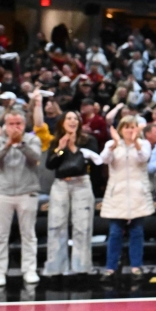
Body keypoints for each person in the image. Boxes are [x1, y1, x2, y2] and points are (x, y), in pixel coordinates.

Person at [0, 110, 41, 287]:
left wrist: (21, 144)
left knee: (28, 235)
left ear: (24, 125)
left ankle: (30, 270)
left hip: (27, 193)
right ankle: (0, 272)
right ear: (5, 125)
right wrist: (8, 144)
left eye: (18, 123)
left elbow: (36, 158)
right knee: (0, 236)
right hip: (2, 193)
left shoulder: (32, 139)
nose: (15, 127)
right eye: (11, 123)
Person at [44, 110, 99, 278]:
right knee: (56, 225)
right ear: (62, 122)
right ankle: (55, 268)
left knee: (82, 226)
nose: (72, 121)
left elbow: (96, 163)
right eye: (69, 118)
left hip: (81, 184)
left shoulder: (88, 140)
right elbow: (50, 165)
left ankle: (82, 267)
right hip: (61, 184)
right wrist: (60, 149)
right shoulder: (55, 141)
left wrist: (74, 147)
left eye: (76, 119)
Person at [99, 117, 154, 280]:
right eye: (127, 128)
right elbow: (103, 160)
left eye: (133, 127)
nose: (131, 131)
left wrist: (136, 142)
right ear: (121, 129)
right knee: (115, 232)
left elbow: (143, 158)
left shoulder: (144, 144)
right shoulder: (112, 145)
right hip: (118, 195)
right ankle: (111, 267)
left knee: (137, 232)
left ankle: (136, 266)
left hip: (138, 194)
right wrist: (114, 144)